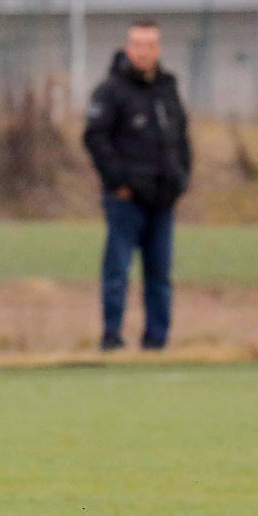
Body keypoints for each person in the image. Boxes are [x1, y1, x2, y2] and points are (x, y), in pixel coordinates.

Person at [82, 18, 192, 351]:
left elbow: (180, 138)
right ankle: (112, 336)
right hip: (126, 199)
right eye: (138, 45)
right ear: (128, 48)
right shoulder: (111, 91)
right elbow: (95, 138)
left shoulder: (167, 89)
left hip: (163, 198)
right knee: (118, 270)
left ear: (159, 49)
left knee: (159, 275)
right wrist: (118, 181)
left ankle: (157, 339)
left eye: (151, 45)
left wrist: (181, 178)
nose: (144, 52)